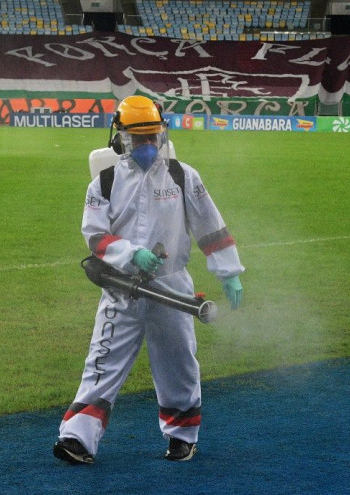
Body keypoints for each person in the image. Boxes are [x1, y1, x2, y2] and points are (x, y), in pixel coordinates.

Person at [53, 95, 244, 464]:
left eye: (151, 137)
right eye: (136, 139)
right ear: (118, 137)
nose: (145, 146)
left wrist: (230, 272)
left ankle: (182, 435)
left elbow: (210, 226)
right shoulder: (103, 183)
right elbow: (95, 236)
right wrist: (129, 253)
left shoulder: (183, 175)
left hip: (171, 287)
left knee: (178, 363)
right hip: (121, 288)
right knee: (103, 360)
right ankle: (77, 437)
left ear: (162, 135)